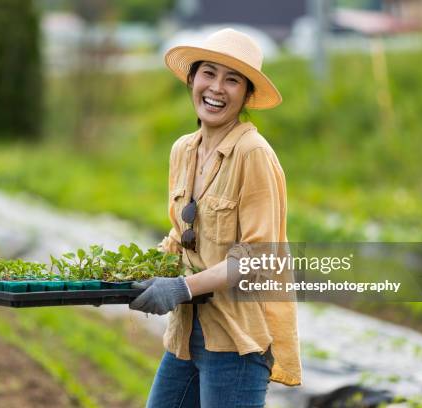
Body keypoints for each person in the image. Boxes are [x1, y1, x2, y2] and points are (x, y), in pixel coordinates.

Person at [129, 28, 302, 407]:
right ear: (192, 79)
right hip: (187, 335)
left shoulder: (252, 153)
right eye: (208, 73)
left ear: (246, 95)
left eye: (232, 79)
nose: (217, 88)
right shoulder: (183, 150)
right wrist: (128, 277)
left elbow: (257, 258)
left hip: (235, 342)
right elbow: (180, 235)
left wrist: (181, 288)